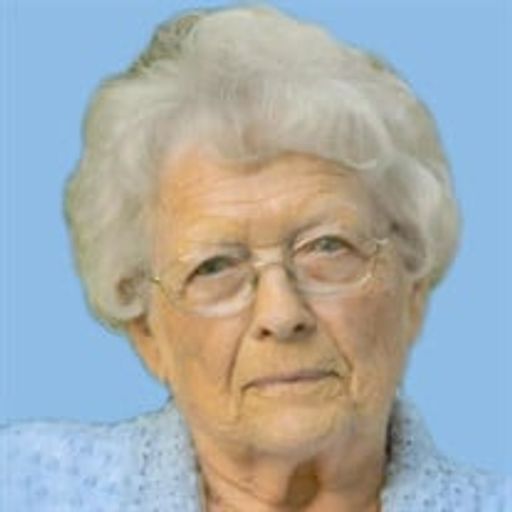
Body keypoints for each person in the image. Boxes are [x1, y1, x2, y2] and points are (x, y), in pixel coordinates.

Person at [1, 5, 509, 511]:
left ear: (413, 290)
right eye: (215, 267)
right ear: (148, 335)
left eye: (328, 247)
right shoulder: (27, 486)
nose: (281, 314)